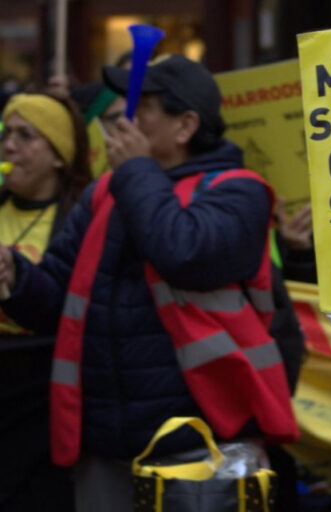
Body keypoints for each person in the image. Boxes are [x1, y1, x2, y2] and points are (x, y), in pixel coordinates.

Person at [0, 54, 300, 511]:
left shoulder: (239, 191)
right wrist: (16, 277)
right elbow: (57, 301)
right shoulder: (105, 193)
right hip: (105, 444)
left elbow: (184, 253)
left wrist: (137, 171)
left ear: (185, 127)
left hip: (201, 443)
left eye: (142, 110)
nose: (124, 122)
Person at [0, 89, 91, 511]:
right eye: (5, 133)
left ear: (59, 155)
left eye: (25, 135)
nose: (9, 145)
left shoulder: (80, 222)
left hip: (43, 394)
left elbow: (72, 311)